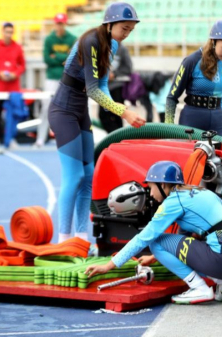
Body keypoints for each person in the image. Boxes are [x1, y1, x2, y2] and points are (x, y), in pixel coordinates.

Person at [85, 161, 222, 304]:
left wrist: (108, 266)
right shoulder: (195, 192)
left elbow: (144, 238)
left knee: (155, 242)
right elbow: (186, 240)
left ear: (163, 185)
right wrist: (154, 257)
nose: (150, 194)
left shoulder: (173, 202)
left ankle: (199, 288)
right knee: (180, 243)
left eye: (151, 188)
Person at [48, 2, 145, 243]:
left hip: (80, 112)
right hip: (63, 111)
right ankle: (63, 240)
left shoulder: (110, 44)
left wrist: (117, 109)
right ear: (109, 23)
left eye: (130, 30)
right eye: (124, 28)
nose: (126, 34)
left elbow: (101, 86)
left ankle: (81, 238)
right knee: (73, 177)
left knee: (88, 175)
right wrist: (124, 112)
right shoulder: (91, 40)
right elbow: (93, 90)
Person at [164, 20, 222, 138]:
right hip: (192, 119)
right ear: (213, 41)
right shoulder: (191, 61)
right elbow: (172, 97)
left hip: (217, 121)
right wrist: (168, 126)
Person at [35, 13, 76, 148]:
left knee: (70, 108)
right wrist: (63, 57)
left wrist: (56, 56)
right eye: (58, 23)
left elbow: (72, 59)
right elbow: (47, 59)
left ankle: (68, 138)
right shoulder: (49, 39)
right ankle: (41, 138)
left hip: (67, 78)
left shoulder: (72, 38)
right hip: (52, 78)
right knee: (46, 107)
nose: (59, 26)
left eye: (62, 23)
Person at [0, 22, 26, 148]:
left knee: (13, 113)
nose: (9, 35)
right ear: (2, 32)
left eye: (11, 32)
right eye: (7, 32)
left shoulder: (17, 47)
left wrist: (15, 74)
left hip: (13, 87)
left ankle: (12, 137)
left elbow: (23, 65)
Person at [98, 42, 132, 133]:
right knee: (103, 115)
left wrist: (114, 74)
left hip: (117, 87)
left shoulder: (122, 49)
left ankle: (118, 137)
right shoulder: (101, 47)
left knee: (117, 114)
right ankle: (115, 137)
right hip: (103, 87)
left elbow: (128, 68)